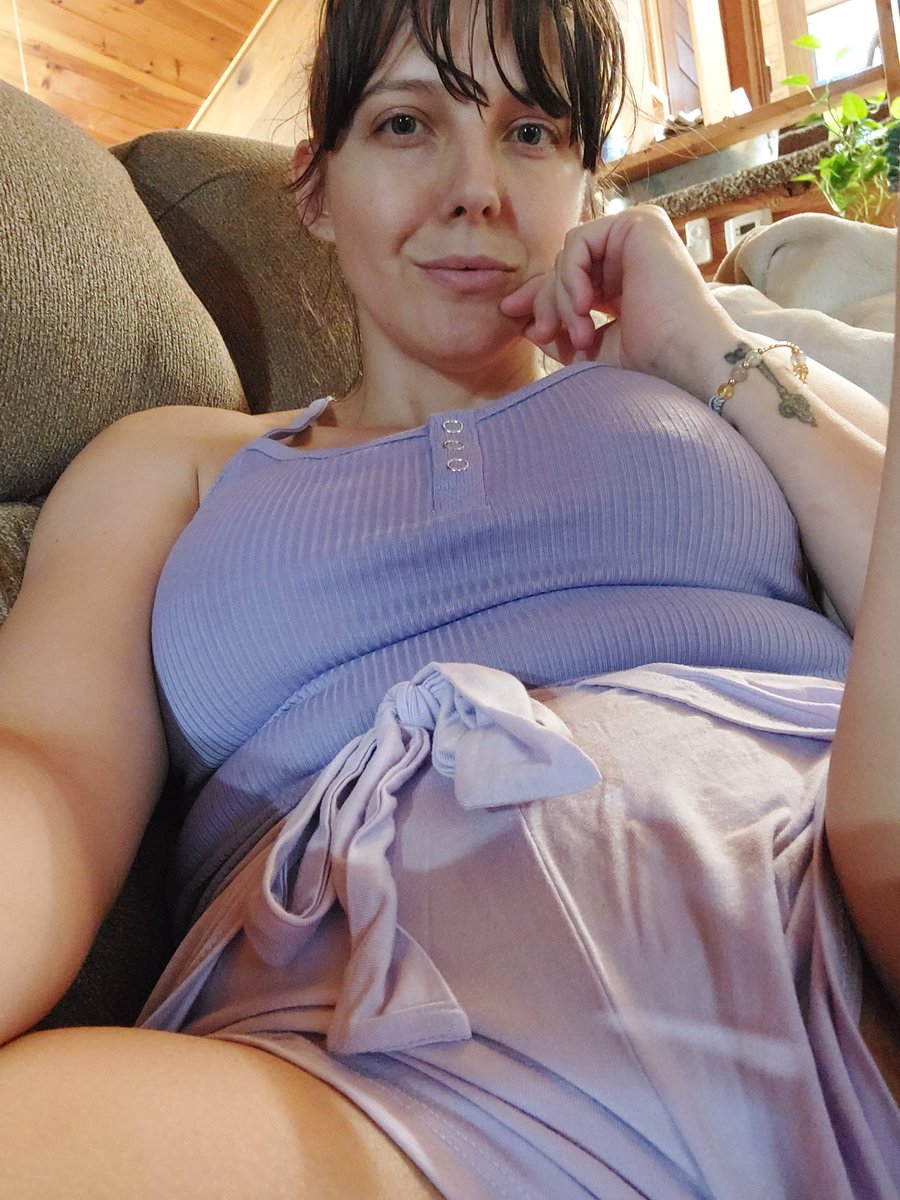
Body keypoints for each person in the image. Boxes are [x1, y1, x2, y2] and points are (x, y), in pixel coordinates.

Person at [0, 0, 897, 1195]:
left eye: (532, 134)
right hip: (377, 1063)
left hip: (844, 907)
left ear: (585, 179)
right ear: (316, 188)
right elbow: (48, 769)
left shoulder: (712, 392)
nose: (477, 190)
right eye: (406, 124)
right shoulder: (177, 462)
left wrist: (710, 348)